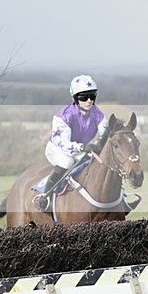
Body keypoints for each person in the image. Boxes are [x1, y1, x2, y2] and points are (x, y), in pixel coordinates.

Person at [33, 75, 109, 211]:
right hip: (58, 149)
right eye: (84, 97)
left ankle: (118, 199)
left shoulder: (98, 114)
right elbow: (64, 144)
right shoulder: (63, 116)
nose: (89, 100)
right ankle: (45, 196)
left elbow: (105, 130)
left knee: (98, 163)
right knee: (67, 162)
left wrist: (100, 143)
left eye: (92, 96)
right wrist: (83, 147)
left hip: (79, 150)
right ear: (75, 98)